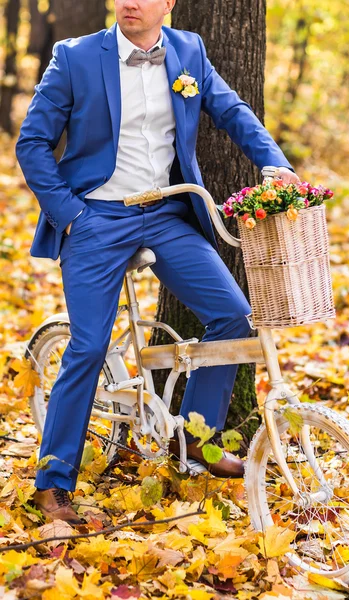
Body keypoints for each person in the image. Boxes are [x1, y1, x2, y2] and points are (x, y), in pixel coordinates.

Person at [16, 0, 300, 525]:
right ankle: (53, 482)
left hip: (167, 211)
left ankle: (194, 439)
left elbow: (233, 111)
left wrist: (274, 163)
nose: (130, 1)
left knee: (234, 317)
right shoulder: (74, 57)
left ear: (167, 3)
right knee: (89, 345)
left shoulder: (189, 50)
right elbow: (31, 143)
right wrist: (70, 214)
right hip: (95, 216)